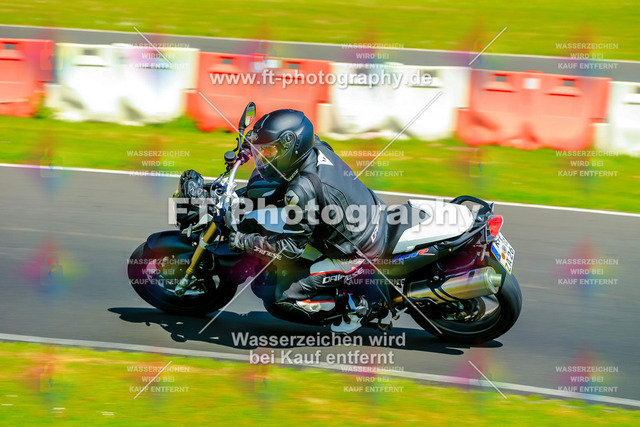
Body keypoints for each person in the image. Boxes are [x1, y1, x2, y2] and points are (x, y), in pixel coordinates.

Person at [228, 109, 388, 333]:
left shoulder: (301, 191)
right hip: (369, 212)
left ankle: (352, 310)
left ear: (291, 148)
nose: (263, 157)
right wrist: (254, 143)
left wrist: (245, 241)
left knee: (279, 298)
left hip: (356, 252)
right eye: (261, 150)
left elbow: (290, 249)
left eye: (269, 151)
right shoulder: (315, 147)